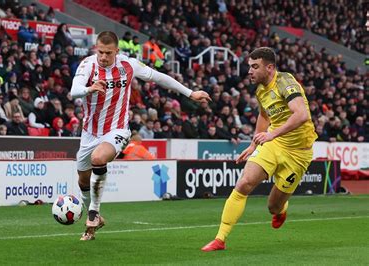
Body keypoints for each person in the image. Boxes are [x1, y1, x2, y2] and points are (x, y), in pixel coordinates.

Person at [71, 31, 210, 241]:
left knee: (98, 159)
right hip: (89, 133)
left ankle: (93, 212)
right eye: (100, 52)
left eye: (108, 53)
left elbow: (159, 77)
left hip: (117, 130)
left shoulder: (128, 65)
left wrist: (190, 93)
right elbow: (74, 90)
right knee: (83, 180)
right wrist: (89, 89)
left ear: (117, 51)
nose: (103, 57)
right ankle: (94, 217)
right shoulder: (88, 65)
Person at [201, 47, 317, 252]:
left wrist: (272, 134)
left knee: (273, 207)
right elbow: (264, 116)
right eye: (249, 66)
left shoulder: (285, 82)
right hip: (275, 144)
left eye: (255, 66)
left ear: (270, 67)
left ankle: (281, 210)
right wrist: (255, 143)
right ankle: (220, 239)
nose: (250, 71)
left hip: (299, 152)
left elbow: (302, 115)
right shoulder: (261, 90)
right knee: (244, 183)